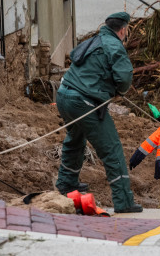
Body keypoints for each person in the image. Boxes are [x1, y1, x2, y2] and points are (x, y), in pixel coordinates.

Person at [56, 12, 142, 213]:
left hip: (63, 95)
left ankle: (67, 184)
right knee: (112, 149)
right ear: (123, 30)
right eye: (127, 30)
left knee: (75, 138)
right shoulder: (115, 46)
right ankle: (124, 202)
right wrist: (119, 91)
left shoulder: (93, 41)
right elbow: (124, 77)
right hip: (84, 101)